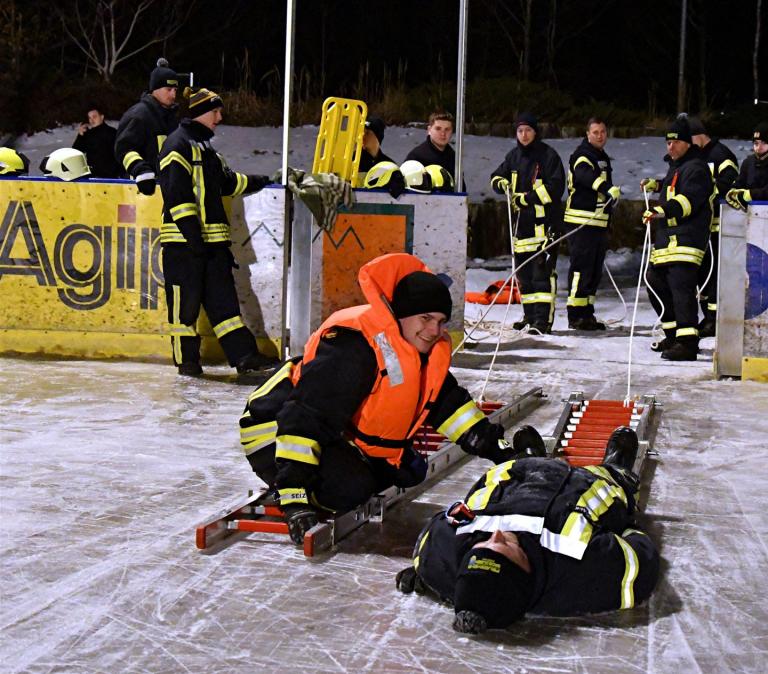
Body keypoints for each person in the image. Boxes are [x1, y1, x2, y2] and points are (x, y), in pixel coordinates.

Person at [238, 253, 523, 544]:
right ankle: (303, 487)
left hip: (328, 429)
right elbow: (305, 419)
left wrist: (502, 453)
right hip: (274, 430)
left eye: (440, 321)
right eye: (425, 318)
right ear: (400, 314)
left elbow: (451, 407)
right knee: (350, 488)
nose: (434, 331)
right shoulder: (354, 346)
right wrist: (295, 500)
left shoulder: (417, 351)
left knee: (408, 472)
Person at [395, 426, 659, 634]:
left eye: (483, 545)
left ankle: (530, 457)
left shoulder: (444, 555)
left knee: (511, 472)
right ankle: (617, 467)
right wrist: (628, 528)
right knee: (612, 481)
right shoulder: (580, 572)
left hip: (520, 476)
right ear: (525, 570)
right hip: (586, 484)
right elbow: (640, 561)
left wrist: (428, 576)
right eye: (506, 547)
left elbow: (432, 544)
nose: (496, 535)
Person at [157, 86, 277, 377]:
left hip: (212, 246)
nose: (220, 118)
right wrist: (193, 238)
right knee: (184, 311)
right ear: (201, 112)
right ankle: (187, 364)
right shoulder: (177, 145)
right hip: (184, 246)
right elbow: (177, 196)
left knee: (225, 308)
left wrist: (263, 180)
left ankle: (245, 357)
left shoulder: (207, 149)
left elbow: (228, 183)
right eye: (215, 111)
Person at [640, 117, 714, 361]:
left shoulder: (697, 168)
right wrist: (657, 185)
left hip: (686, 241)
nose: (670, 146)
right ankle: (673, 336)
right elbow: (675, 185)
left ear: (687, 143)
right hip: (668, 242)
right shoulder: (678, 167)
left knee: (681, 290)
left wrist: (662, 210)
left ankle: (688, 343)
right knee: (654, 281)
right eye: (668, 142)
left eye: (676, 142)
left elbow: (689, 200)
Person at [490, 113, 566, 334]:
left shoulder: (548, 156)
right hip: (521, 229)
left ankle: (542, 322)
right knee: (525, 278)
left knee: (542, 277)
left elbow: (556, 187)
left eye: (528, 130)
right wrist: (500, 183)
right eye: (520, 131)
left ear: (535, 132)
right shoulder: (513, 156)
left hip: (545, 228)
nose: (524, 135)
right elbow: (496, 176)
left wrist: (527, 198)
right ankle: (530, 317)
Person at [563, 117, 621, 331]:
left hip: (598, 223)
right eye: (595, 132)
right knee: (581, 268)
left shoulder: (601, 156)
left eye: (603, 132)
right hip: (581, 221)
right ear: (587, 134)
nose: (599, 136)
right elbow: (584, 175)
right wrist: (606, 188)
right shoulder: (582, 155)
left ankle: (587, 313)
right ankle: (575, 314)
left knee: (594, 271)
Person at [689, 116, 739, 338]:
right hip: (700, 227)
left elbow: (729, 181)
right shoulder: (696, 155)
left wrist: (704, 190)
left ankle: (714, 319)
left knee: (715, 276)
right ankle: (707, 317)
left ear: (699, 135)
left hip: (718, 226)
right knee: (702, 276)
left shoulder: (721, 155)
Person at [115, 58, 179, 196]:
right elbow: (123, 149)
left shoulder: (171, 117)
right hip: (139, 192)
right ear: (155, 89)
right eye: (168, 89)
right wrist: (141, 170)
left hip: (166, 189)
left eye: (175, 90)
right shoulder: (139, 115)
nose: (173, 94)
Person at [404, 110, 462, 192]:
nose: (443, 134)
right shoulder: (416, 157)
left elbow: (461, 190)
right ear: (429, 130)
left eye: (447, 129)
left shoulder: (454, 158)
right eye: (438, 129)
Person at [72, 105, 120, 179]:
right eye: (89, 118)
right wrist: (80, 136)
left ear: (102, 117)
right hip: (92, 176)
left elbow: (119, 154)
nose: (92, 120)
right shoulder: (88, 134)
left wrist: (118, 173)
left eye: (94, 117)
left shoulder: (112, 133)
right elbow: (76, 152)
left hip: (109, 177)